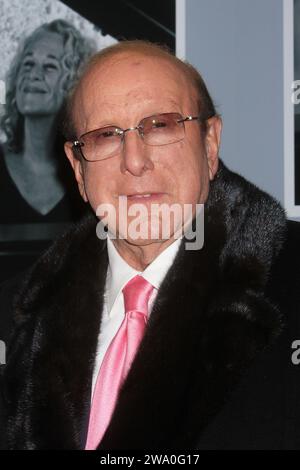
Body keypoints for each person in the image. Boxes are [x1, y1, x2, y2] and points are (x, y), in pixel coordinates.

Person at [1, 40, 300, 450]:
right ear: (77, 168)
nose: (135, 161)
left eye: (160, 126)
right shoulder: (15, 316)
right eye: (105, 135)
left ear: (210, 143)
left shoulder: (291, 281)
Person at [0, 19, 92, 226]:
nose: (33, 74)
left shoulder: (92, 173)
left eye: (50, 66)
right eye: (28, 63)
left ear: (74, 84)